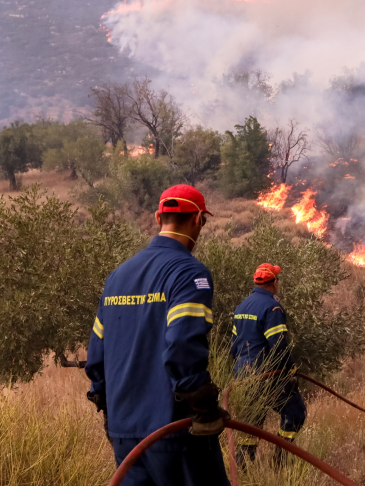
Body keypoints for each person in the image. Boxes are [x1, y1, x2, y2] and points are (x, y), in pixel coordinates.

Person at [84, 184, 229, 486]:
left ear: (157, 218)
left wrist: (112, 409)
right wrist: (204, 406)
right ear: (199, 219)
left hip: (126, 438)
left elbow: (96, 356)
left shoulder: (118, 276)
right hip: (175, 433)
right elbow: (182, 347)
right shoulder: (191, 273)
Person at [230, 262, 307, 466]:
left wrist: (239, 372)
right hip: (268, 375)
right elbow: (279, 345)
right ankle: (281, 459)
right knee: (295, 412)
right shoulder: (272, 307)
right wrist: (290, 370)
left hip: (243, 376)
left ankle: (243, 467)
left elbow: (233, 346)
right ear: (274, 282)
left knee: (250, 423)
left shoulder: (242, 306)